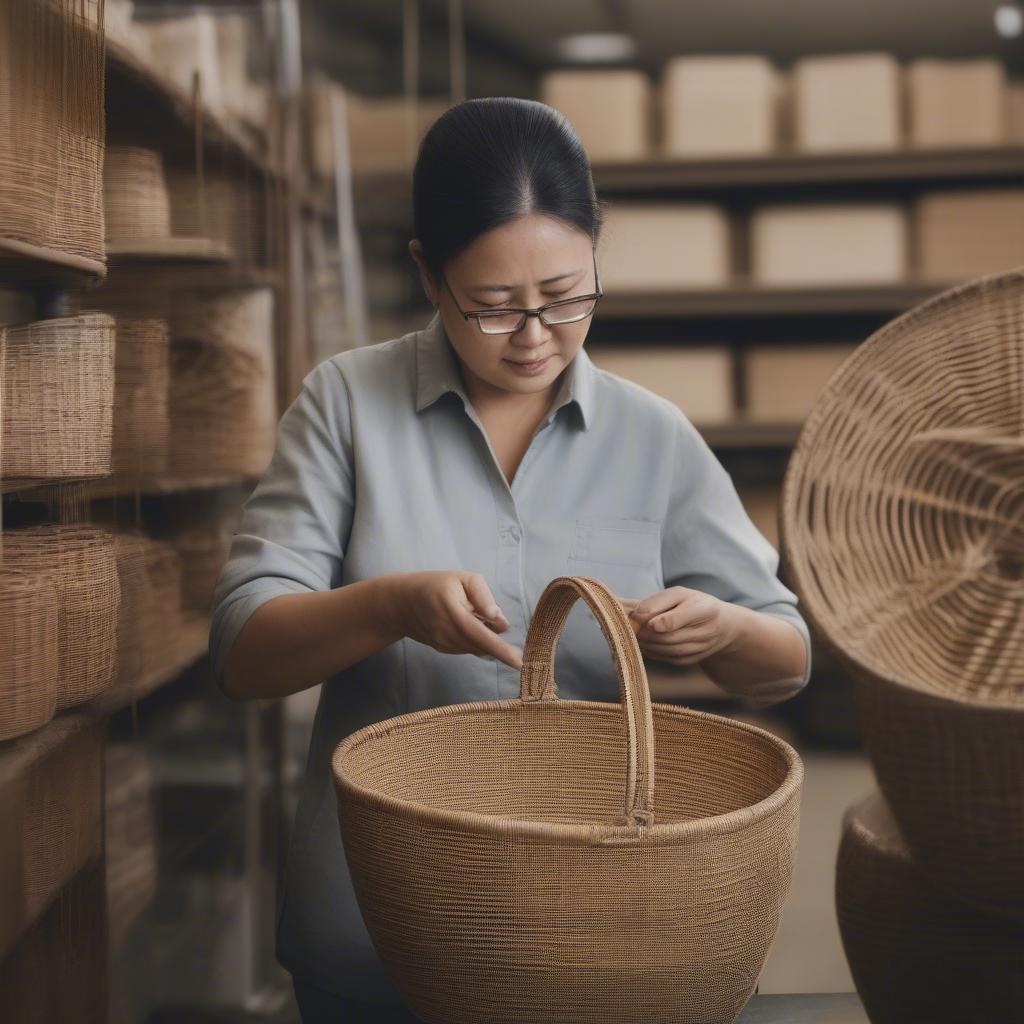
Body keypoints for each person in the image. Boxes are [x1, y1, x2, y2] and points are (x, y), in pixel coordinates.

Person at [210, 96, 811, 1024]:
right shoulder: (345, 405)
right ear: (426, 274)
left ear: (598, 254)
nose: (535, 337)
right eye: (492, 309)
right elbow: (245, 653)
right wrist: (390, 607)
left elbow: (789, 660)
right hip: (377, 931)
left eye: (567, 298)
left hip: (601, 928)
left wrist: (724, 628)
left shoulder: (654, 437)